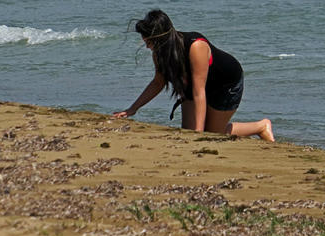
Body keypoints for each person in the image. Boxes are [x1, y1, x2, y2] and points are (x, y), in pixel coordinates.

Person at [113, 9, 274, 141]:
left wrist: (199, 133)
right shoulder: (159, 52)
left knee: (211, 135)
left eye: (149, 42)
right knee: (189, 134)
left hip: (226, 84)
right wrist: (132, 109)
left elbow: (199, 91)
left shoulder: (196, 46)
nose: (148, 47)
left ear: (160, 38)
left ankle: (261, 126)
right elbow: (157, 82)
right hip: (194, 86)